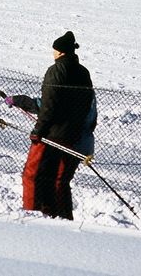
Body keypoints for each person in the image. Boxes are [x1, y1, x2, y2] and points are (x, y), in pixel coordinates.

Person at [14, 30, 94, 219]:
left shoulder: (56, 70)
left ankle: (32, 212)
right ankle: (63, 218)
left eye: (54, 50)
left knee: (32, 175)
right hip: (72, 135)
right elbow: (86, 104)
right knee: (59, 180)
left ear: (60, 52)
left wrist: (38, 130)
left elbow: (49, 104)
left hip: (51, 135)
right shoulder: (83, 73)